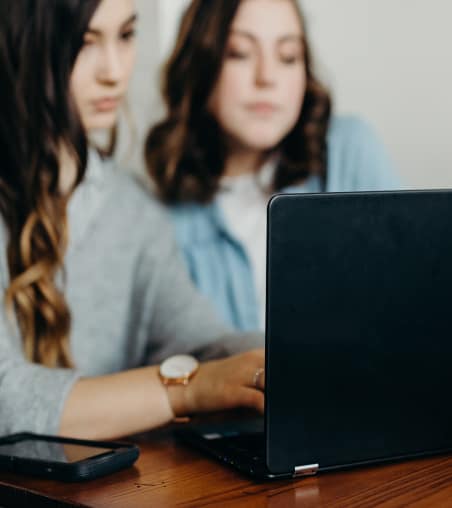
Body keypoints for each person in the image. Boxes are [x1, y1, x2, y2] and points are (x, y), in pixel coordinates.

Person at [0, 0, 265, 441]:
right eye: (86, 43)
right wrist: (183, 390)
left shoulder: (131, 208)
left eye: (125, 36)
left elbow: (200, 340)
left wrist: (289, 353)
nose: (115, 71)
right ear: (21, 44)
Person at [145, 0, 402, 332]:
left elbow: (411, 296)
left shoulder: (347, 150)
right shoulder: (159, 217)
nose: (266, 78)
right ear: (198, 65)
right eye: (239, 52)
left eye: (288, 57)